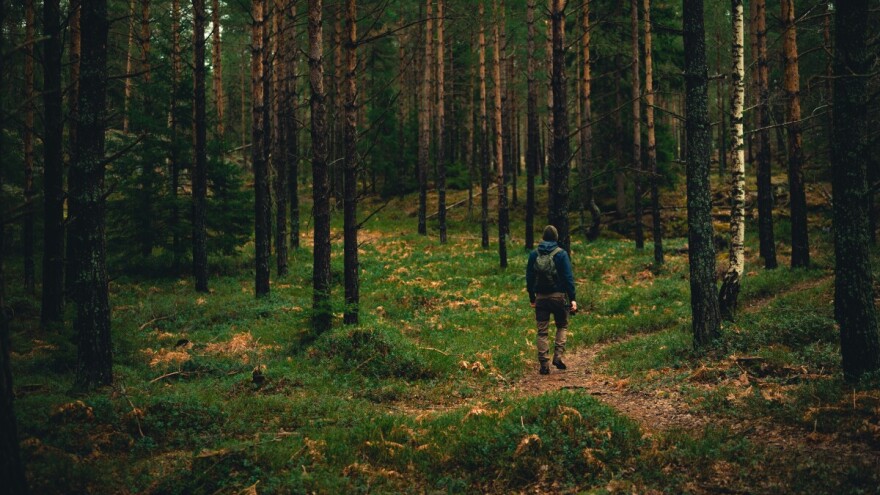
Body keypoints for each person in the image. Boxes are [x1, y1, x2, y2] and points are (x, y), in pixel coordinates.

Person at [526, 225, 577, 375]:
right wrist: (573, 298)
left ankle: (544, 364)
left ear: (543, 237)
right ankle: (558, 356)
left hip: (541, 298)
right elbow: (568, 278)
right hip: (558, 297)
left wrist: (532, 297)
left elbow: (529, 278)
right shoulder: (561, 254)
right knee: (562, 326)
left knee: (542, 332)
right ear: (556, 237)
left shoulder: (534, 254)